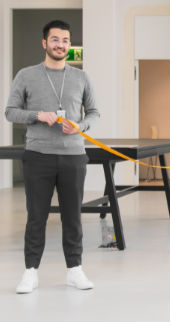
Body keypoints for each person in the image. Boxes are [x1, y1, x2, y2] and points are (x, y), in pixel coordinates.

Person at [6, 20, 100, 294]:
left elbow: (94, 112)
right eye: (55, 39)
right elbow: (10, 111)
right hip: (38, 156)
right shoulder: (26, 75)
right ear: (45, 43)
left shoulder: (82, 77)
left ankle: (74, 270)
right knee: (36, 216)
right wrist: (37, 115)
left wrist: (80, 125)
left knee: (73, 216)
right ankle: (30, 272)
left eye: (66, 40)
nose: (61, 44)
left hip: (73, 156)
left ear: (70, 45)